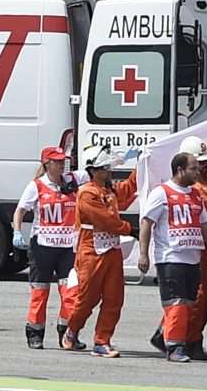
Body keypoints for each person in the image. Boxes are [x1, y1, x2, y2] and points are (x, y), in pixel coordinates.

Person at [147, 138, 207, 361]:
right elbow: (147, 221)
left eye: (205, 161)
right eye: (199, 163)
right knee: (189, 300)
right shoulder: (189, 188)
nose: (204, 166)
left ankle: (175, 336)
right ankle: (187, 341)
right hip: (186, 250)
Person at [61, 144, 138, 358]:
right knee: (88, 298)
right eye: (105, 167)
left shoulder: (110, 190)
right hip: (90, 251)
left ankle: (102, 341)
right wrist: (130, 229)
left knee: (115, 298)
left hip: (112, 249)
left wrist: (142, 166)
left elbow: (128, 189)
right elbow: (104, 220)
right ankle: (72, 330)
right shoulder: (87, 193)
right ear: (93, 170)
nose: (109, 170)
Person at [13, 146, 88, 349]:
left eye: (63, 160)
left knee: (70, 292)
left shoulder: (72, 181)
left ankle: (68, 334)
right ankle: (35, 334)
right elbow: (20, 210)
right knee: (40, 292)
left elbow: (95, 171)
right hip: (42, 247)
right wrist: (17, 232)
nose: (61, 164)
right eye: (56, 161)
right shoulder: (36, 186)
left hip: (68, 248)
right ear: (47, 164)